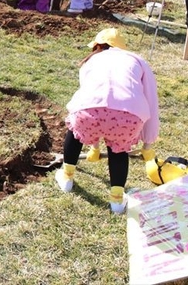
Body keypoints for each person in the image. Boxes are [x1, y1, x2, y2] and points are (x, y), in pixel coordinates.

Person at [55, 28, 159, 215]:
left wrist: (93, 145)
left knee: (76, 130)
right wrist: (147, 144)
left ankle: (66, 177)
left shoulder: (91, 61)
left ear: (97, 46)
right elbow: (151, 100)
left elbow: (91, 99)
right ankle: (117, 201)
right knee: (119, 149)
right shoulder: (137, 60)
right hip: (128, 117)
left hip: (88, 113)